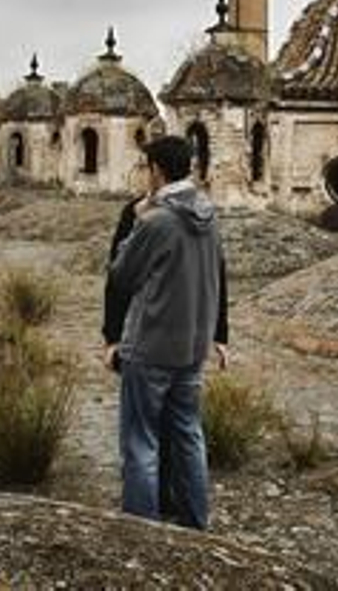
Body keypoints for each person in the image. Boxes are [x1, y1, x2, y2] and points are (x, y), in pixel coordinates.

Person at [106, 135, 229, 529]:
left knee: (141, 442)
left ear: (157, 170)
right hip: (192, 348)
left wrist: (136, 222)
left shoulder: (155, 221)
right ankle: (195, 522)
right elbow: (218, 276)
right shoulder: (209, 215)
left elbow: (121, 274)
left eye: (147, 168)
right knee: (189, 436)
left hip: (150, 346)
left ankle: (142, 531)